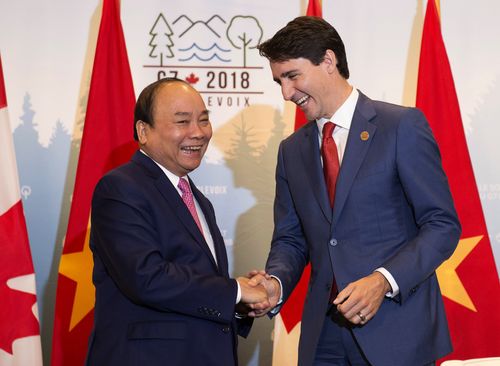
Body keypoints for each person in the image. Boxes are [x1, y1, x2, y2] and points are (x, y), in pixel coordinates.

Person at [249, 16, 461, 366]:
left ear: (328, 62)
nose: (286, 94)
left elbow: (442, 225)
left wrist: (383, 280)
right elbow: (291, 239)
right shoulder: (292, 150)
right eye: (279, 82)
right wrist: (275, 282)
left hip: (397, 332)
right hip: (324, 337)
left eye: (292, 76)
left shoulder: (400, 127)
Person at [85, 78, 268, 366]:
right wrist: (233, 290)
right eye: (182, 121)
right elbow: (146, 277)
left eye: (204, 120)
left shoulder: (197, 199)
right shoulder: (120, 188)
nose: (198, 133)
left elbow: (193, 284)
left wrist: (238, 304)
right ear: (143, 131)